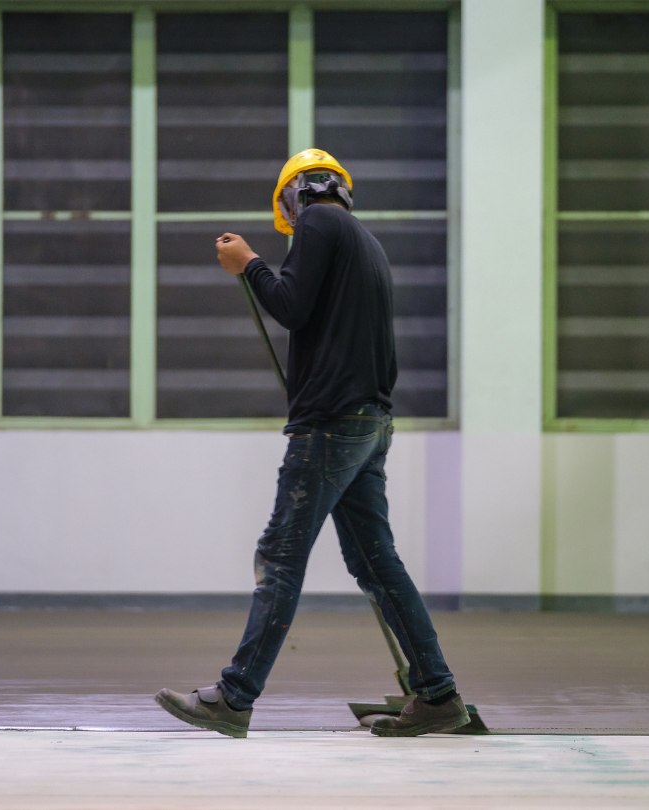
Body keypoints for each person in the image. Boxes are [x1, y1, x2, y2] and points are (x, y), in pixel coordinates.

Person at [154, 149, 467, 739]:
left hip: (330, 425)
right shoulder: (365, 242)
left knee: (280, 557)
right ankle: (438, 694)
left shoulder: (319, 224)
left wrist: (248, 264)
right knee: (378, 565)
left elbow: (290, 307)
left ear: (296, 195)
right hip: (368, 424)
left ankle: (234, 696)